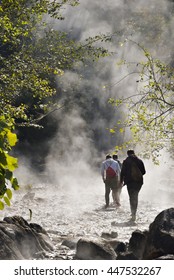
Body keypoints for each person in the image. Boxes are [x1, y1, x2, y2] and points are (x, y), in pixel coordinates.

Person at [120, 149, 146, 221]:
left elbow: (122, 173)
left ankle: (133, 214)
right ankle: (134, 213)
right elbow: (144, 172)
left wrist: (121, 182)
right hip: (139, 182)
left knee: (131, 197)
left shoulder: (125, 161)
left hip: (130, 182)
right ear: (134, 153)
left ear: (127, 154)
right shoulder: (139, 161)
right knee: (135, 196)